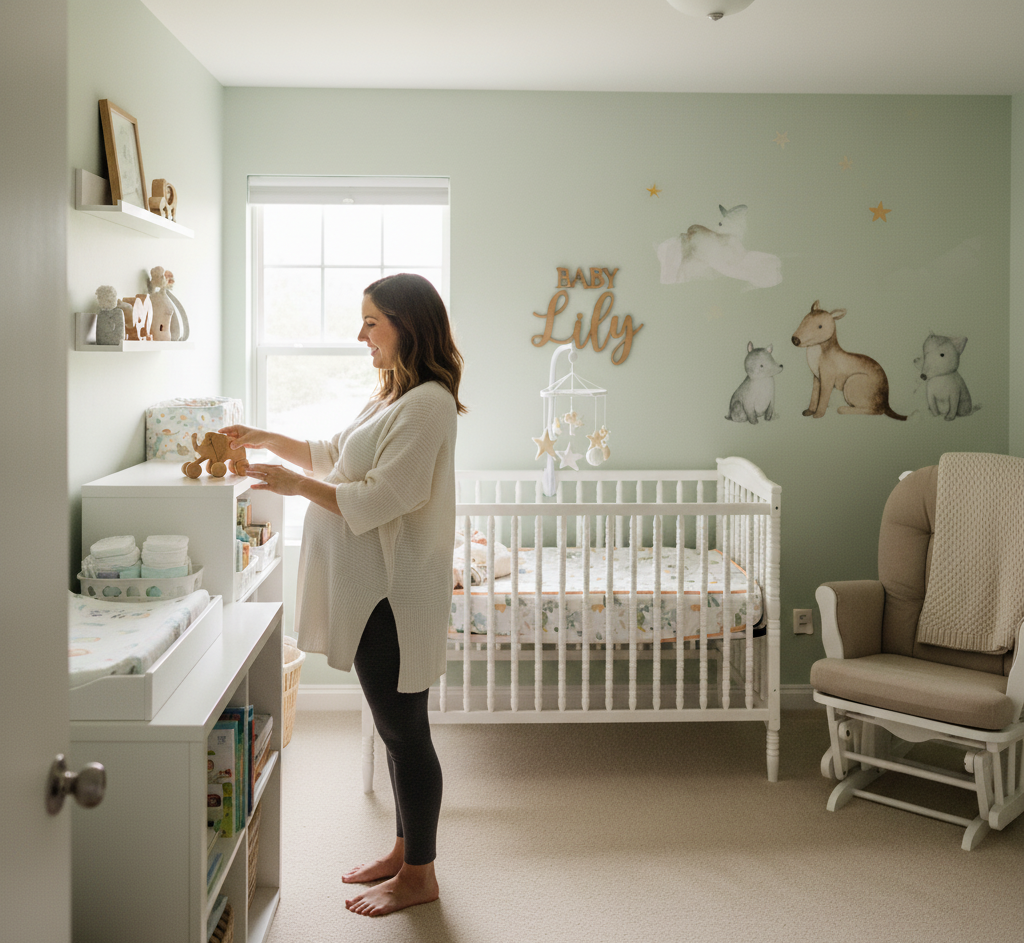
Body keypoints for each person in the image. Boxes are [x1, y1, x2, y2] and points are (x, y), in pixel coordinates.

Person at [221, 272, 465, 917]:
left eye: (371, 323)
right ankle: (405, 851)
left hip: (395, 592)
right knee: (393, 729)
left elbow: (386, 496)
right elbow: (335, 453)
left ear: (406, 326)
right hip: (371, 589)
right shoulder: (394, 394)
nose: (361, 335)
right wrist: (264, 439)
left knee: (405, 732)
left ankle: (421, 876)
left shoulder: (429, 403)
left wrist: (292, 484)